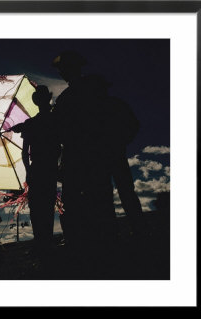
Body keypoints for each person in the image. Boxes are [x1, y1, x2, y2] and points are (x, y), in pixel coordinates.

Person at [51, 51, 142, 276]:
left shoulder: (71, 98)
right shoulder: (72, 98)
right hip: (87, 157)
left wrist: (114, 142)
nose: (62, 73)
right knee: (101, 195)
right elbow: (63, 133)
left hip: (88, 157)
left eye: (65, 69)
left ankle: (102, 239)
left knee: (99, 195)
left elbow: (64, 133)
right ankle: (109, 237)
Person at [10, 85, 61, 254]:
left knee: (41, 207)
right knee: (44, 206)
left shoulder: (32, 123)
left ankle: (42, 242)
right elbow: (25, 152)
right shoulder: (50, 121)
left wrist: (28, 171)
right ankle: (43, 242)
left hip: (41, 168)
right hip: (46, 168)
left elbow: (25, 153)